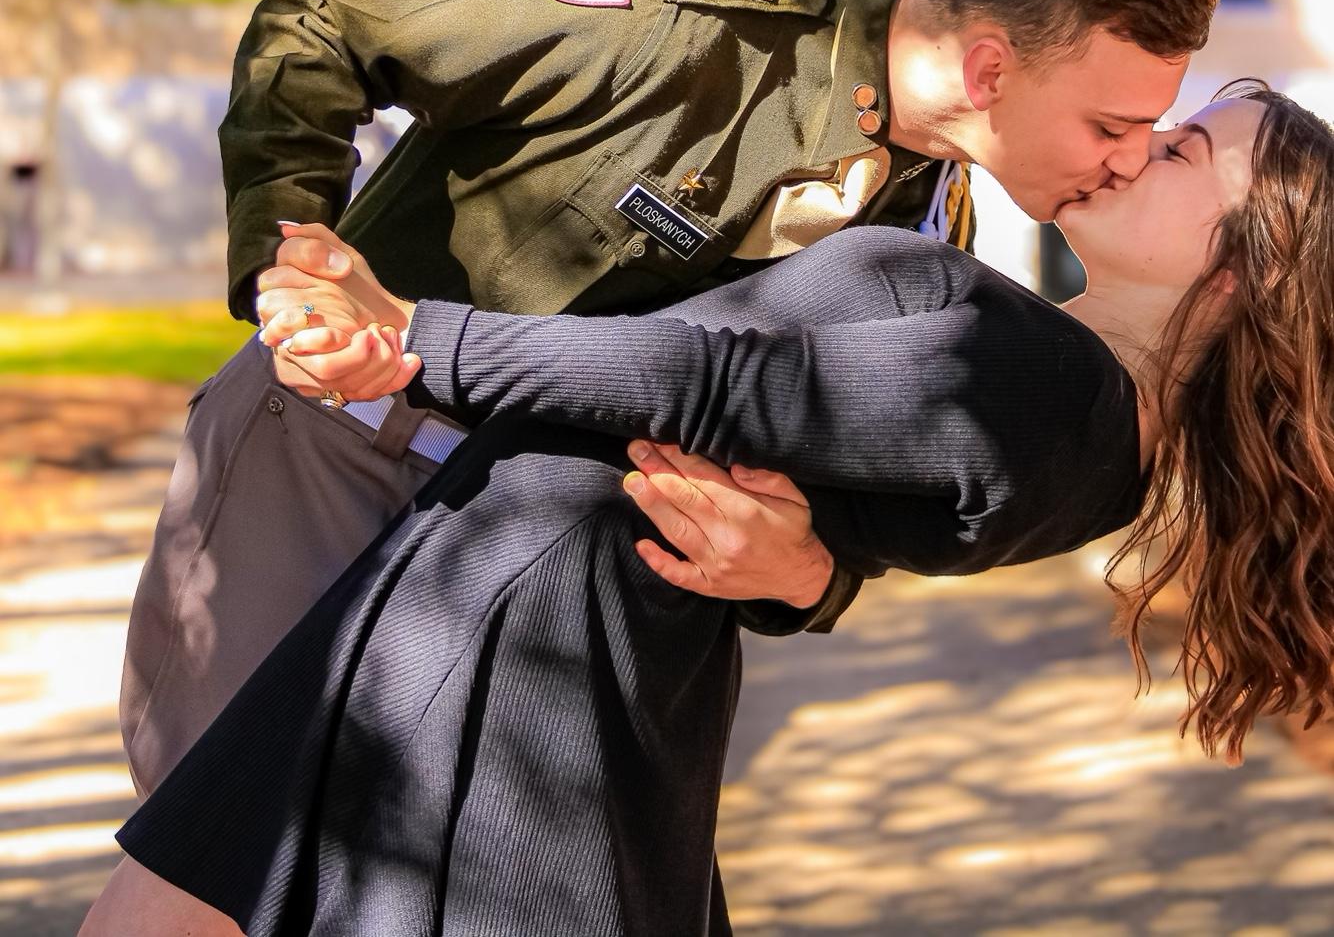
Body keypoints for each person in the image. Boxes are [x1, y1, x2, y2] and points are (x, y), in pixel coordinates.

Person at [83, 85, 1334, 936]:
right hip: (518, 598)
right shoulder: (1085, 419)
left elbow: (732, 382)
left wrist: (417, 337)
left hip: (516, 631)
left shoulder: (1060, 393)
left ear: (1245, 260)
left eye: (1179, 149)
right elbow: (833, 485)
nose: (1135, 140)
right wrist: (814, 577)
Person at [121, 0, 1215, 795]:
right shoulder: (674, 23)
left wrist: (806, 574)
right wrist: (295, 267)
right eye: (1110, 122)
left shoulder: (940, 216)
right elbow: (320, 26)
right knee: (224, 865)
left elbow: (831, 462)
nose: (1127, 157)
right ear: (986, 67)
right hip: (350, 454)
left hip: (556, 576)